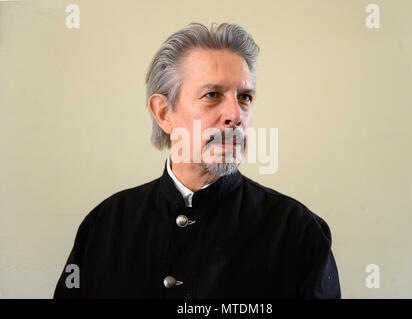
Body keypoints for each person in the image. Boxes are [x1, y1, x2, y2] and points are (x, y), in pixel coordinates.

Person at [54, 22, 341, 299]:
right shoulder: (104, 226)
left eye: (245, 97)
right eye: (212, 95)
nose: (235, 114)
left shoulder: (298, 233)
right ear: (164, 112)